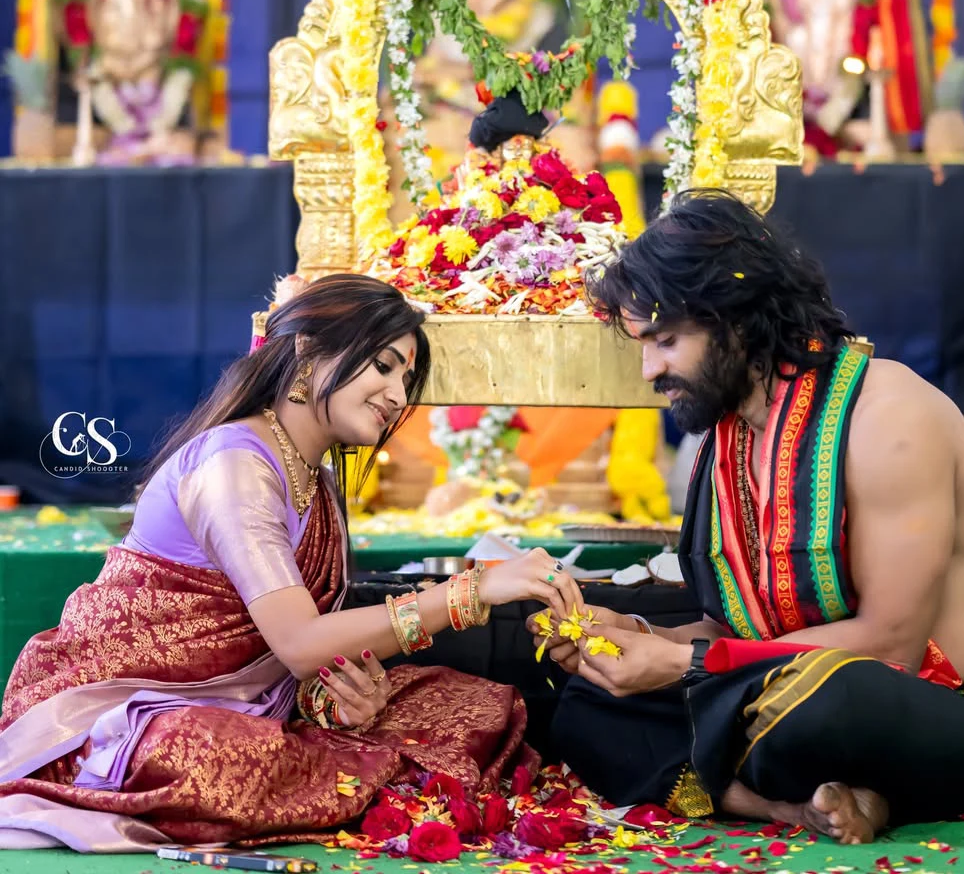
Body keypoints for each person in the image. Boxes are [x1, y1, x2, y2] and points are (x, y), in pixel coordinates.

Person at [537, 191, 964, 844]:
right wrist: (638, 636)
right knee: (587, 698)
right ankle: (794, 806)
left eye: (667, 341)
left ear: (734, 320)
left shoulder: (888, 417)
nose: (651, 369)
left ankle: (790, 785)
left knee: (820, 704)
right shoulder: (727, 434)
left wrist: (684, 666)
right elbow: (738, 629)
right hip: (790, 687)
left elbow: (889, 648)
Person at [0, 273, 580, 853]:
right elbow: (301, 643)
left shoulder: (317, 480)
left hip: (251, 709)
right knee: (204, 755)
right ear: (307, 351)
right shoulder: (234, 465)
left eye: (405, 377)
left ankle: (338, 777)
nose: (399, 396)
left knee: (473, 704)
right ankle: (342, 781)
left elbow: (292, 661)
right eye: (382, 366)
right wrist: (470, 592)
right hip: (119, 716)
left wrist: (336, 698)